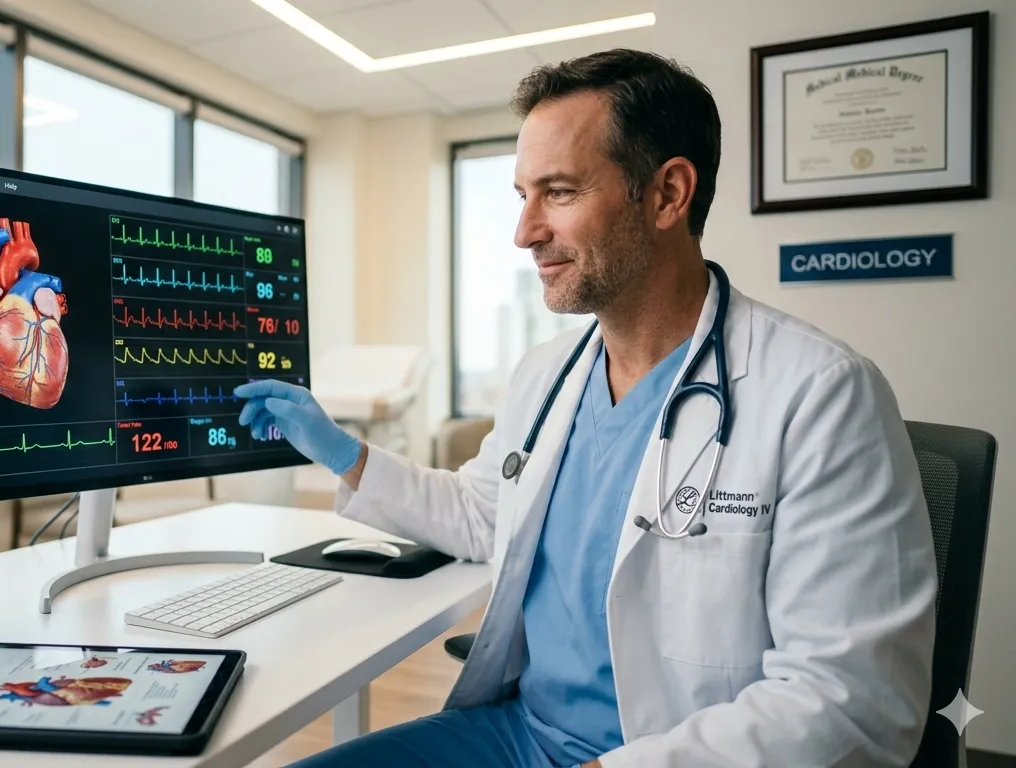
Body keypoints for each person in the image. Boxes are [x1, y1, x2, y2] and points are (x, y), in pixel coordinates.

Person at [234, 49, 937, 768]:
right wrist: (339, 452)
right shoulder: (547, 375)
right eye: (522, 195)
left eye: (559, 192)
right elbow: (482, 513)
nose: (525, 231)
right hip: (518, 735)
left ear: (667, 195)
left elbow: (854, 704)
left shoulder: (819, 393)